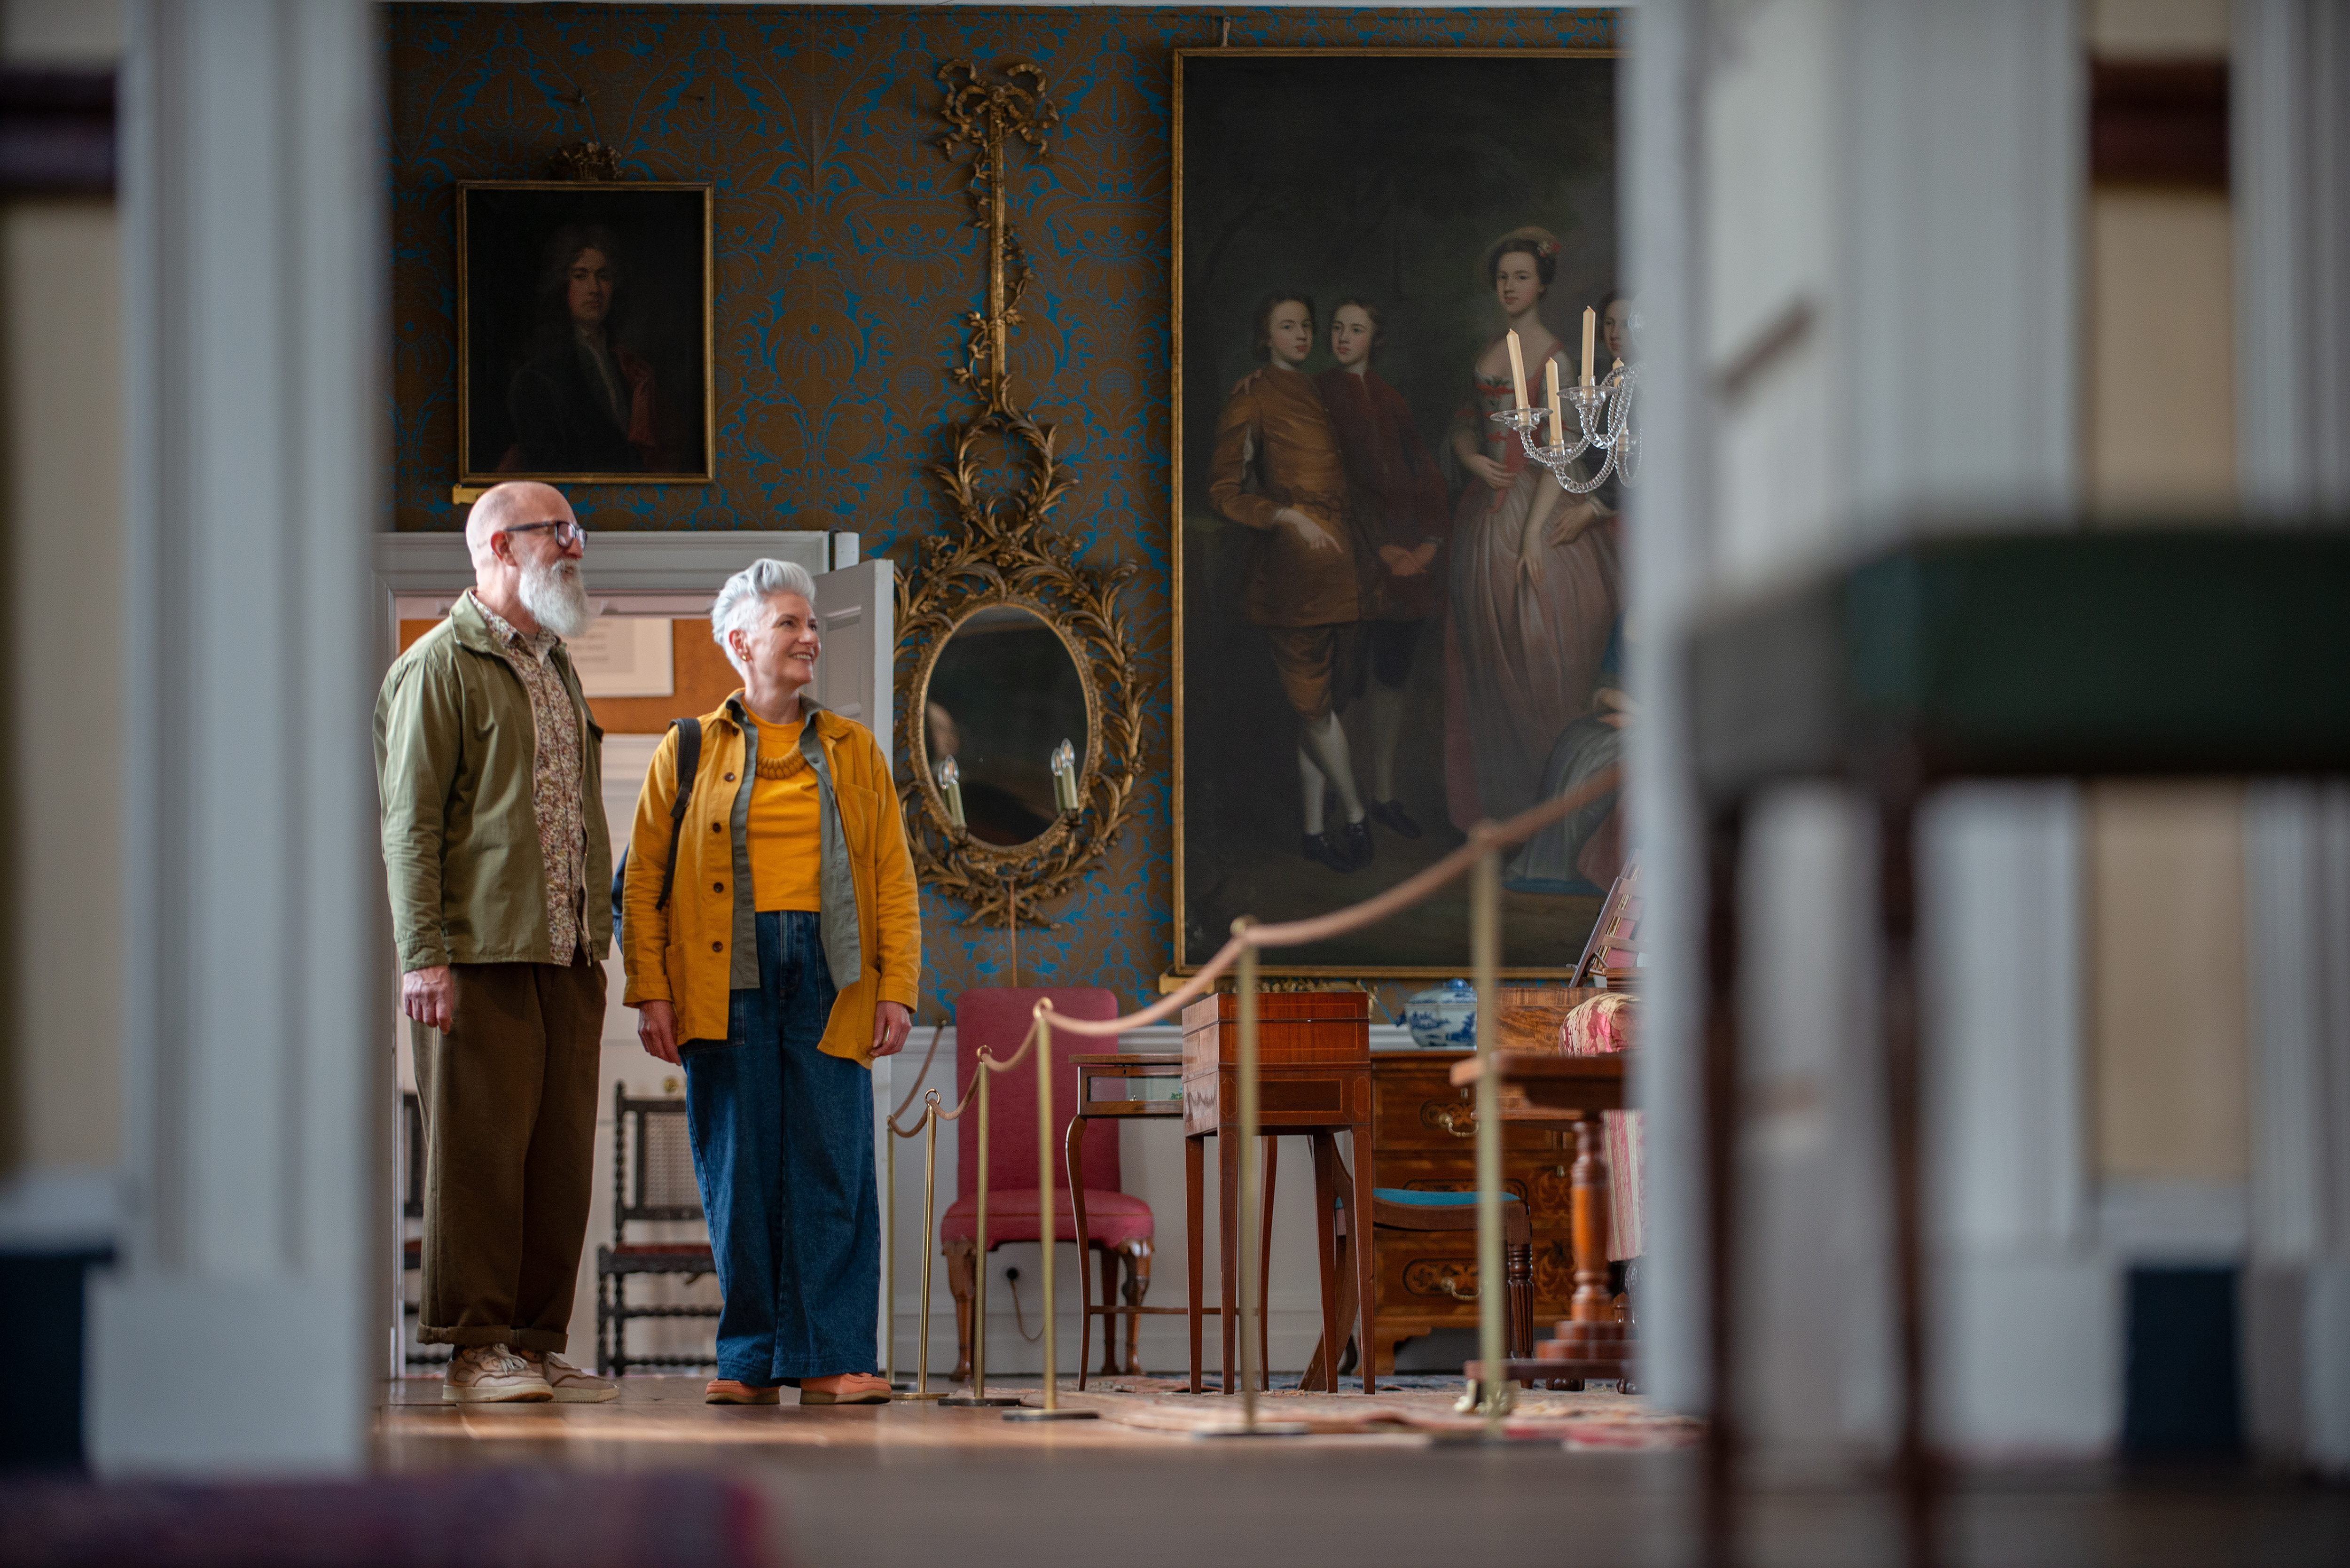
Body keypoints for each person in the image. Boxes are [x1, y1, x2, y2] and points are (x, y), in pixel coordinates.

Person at [622, 558, 920, 1407]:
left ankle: (833, 1355)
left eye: (814, 625)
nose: (809, 638)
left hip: (833, 974)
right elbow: (641, 885)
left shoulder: (854, 750)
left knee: (832, 1162)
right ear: (739, 639)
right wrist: (652, 989)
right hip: (724, 975)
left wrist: (897, 985)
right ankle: (749, 1357)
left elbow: (893, 878)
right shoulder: (684, 749)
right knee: (738, 1166)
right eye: (789, 623)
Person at [375, 480, 617, 1404]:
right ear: (500, 548)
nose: (576, 547)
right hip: (477, 953)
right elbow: (410, 827)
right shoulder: (437, 666)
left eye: (574, 530)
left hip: (568, 950)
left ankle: (535, 1337)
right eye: (559, 532)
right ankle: (477, 1348)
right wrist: (422, 954)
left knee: (558, 1156)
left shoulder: (555, 665)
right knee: (477, 1155)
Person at [1442, 230, 1624, 832]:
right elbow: (1465, 421)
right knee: (1490, 664)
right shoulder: (1490, 347)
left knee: (1539, 652)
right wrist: (1470, 458)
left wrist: (1528, 537)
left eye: (1521, 277)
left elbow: (1562, 450)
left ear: (1541, 284)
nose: (1510, 287)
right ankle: (1503, 804)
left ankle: (1551, 810)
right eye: (1502, 278)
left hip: (1536, 512)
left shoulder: (1556, 358)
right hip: (1481, 519)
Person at [1206, 291, 1376, 873]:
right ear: (1264, 335)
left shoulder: (1321, 392)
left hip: (1342, 571)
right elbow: (1224, 492)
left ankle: (1311, 830)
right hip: (1292, 576)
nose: (1302, 335)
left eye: (1307, 324)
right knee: (1310, 706)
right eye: (1287, 326)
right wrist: (1286, 516)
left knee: (1320, 706)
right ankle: (1354, 814)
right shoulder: (1250, 397)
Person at [1316, 297, 1451, 840]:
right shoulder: (1318, 395)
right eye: (1337, 328)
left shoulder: (1391, 400)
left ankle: (1383, 794)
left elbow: (1425, 476)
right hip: (1350, 561)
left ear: (1375, 338)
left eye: (1356, 329)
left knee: (1391, 682)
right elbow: (1331, 484)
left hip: (1404, 565)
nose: (1344, 337)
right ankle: (1339, 800)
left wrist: (1429, 543)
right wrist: (1379, 549)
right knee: (1341, 684)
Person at [504, 224, 665, 473]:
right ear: (562, 284)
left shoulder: (630, 367)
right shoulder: (537, 377)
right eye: (581, 276)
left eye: (603, 276)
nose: (595, 289)